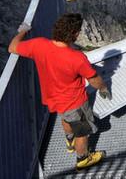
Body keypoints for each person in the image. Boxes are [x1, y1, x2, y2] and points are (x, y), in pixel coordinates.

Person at [9, 13, 111, 170]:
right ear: (74, 34)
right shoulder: (76, 57)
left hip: (54, 100)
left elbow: (12, 47)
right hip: (75, 102)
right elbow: (93, 79)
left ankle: (69, 139)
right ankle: (83, 158)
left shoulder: (39, 45)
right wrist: (103, 89)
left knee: (66, 117)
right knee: (82, 131)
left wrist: (23, 31)